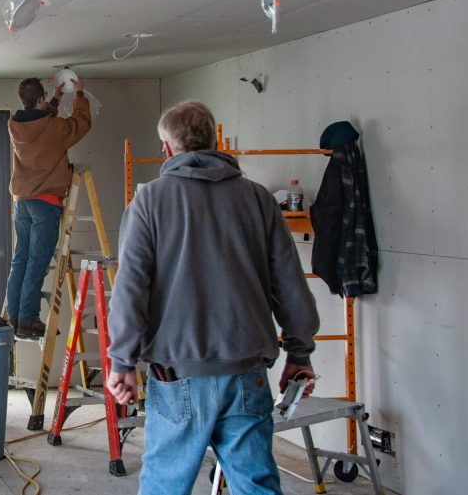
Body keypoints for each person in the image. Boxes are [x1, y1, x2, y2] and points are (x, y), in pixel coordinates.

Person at [106, 102, 321, 495]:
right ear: (214, 140)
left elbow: (131, 289)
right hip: (247, 372)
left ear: (167, 149)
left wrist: (121, 361)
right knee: (256, 486)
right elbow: (290, 284)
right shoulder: (258, 200)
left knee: (164, 487)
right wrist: (300, 353)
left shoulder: (149, 201)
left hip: (177, 377)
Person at [6, 76, 92, 338]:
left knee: (20, 260)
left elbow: (41, 123)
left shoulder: (16, 126)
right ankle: (28, 320)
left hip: (22, 202)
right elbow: (80, 125)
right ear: (40, 99)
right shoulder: (53, 128)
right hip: (46, 203)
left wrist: (55, 99)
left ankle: (14, 318)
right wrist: (79, 95)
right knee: (36, 262)